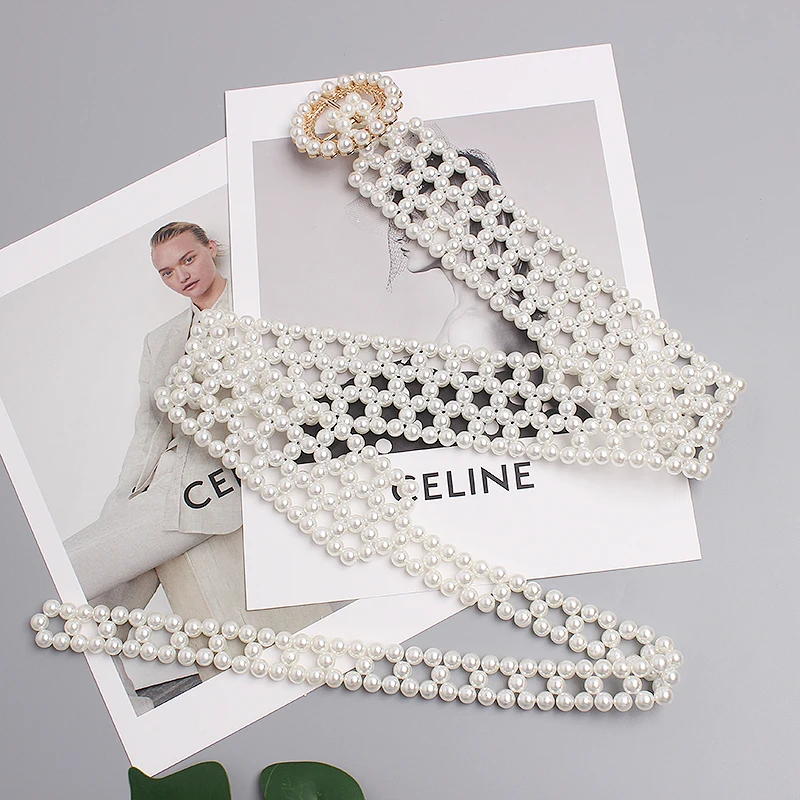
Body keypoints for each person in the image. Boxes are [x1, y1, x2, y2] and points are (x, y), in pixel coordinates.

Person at [64, 222, 333, 702]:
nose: (181, 276)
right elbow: (148, 431)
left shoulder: (261, 305)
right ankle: (114, 704)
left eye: (187, 259)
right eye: (167, 272)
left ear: (211, 248)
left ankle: (110, 705)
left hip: (218, 481)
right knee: (103, 598)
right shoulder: (161, 340)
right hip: (163, 485)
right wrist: (120, 503)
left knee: (69, 573)